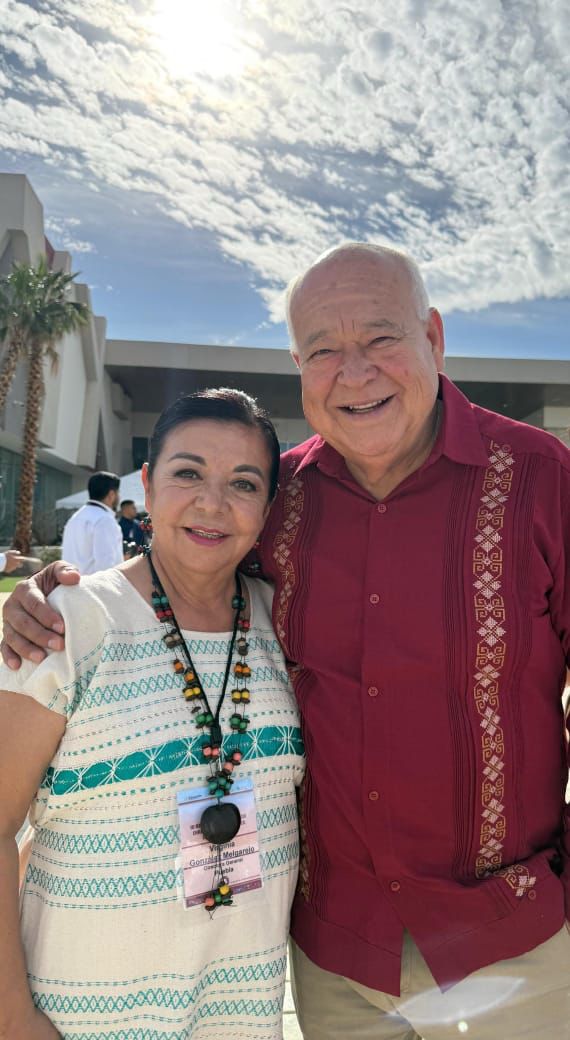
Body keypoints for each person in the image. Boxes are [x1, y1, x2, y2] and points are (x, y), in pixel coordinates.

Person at [3, 243, 569, 1039]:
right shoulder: (280, 496)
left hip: (516, 946)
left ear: (434, 338)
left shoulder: (543, 476)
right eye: (324, 349)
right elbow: (185, 566)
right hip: (337, 957)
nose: (355, 372)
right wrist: (53, 594)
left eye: (380, 337)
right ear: (299, 364)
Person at [0, 389, 304, 1039]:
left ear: (268, 507)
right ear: (147, 482)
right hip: (80, 1016)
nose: (212, 503)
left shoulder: (286, 620)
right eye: (187, 473)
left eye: (243, 483)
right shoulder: (69, 622)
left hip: (240, 1014)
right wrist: (12, 1018)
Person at [60, 471, 123, 574]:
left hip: (71, 581)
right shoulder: (104, 520)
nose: (119, 496)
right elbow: (106, 566)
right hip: (95, 583)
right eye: (118, 492)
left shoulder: (75, 517)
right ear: (111, 495)